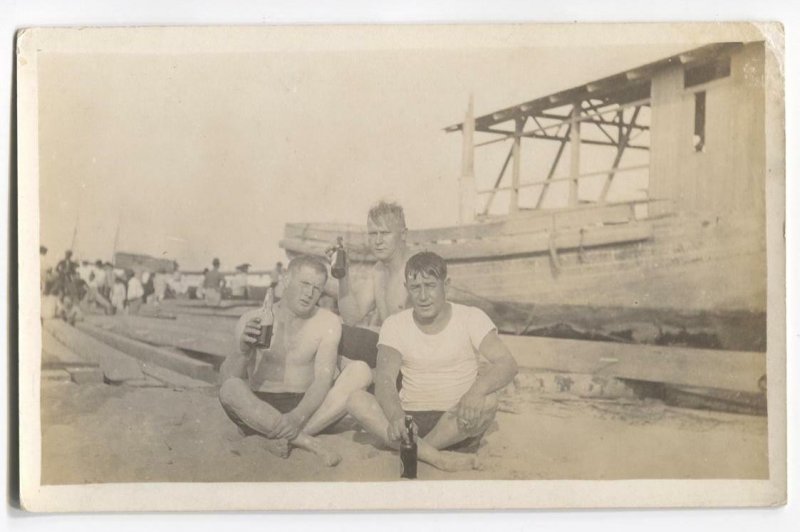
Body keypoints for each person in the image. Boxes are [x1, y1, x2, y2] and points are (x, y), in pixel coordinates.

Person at [347, 251, 518, 472]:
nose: (423, 296)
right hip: (410, 421)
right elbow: (385, 378)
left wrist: (475, 392)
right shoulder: (395, 323)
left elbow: (507, 363)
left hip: (456, 419)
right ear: (407, 288)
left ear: (446, 284)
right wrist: (397, 415)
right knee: (356, 399)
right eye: (416, 287)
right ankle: (436, 458)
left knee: (489, 400)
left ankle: (412, 450)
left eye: (430, 285)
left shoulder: (470, 317)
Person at [219, 255, 372, 466]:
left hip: (309, 410)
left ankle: (288, 437)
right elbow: (228, 378)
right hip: (260, 408)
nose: (310, 294)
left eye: (317, 288)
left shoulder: (327, 321)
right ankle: (307, 442)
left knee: (361, 370)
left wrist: (297, 416)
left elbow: (322, 380)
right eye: (305, 284)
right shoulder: (253, 319)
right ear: (286, 280)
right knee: (230, 388)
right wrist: (243, 350)